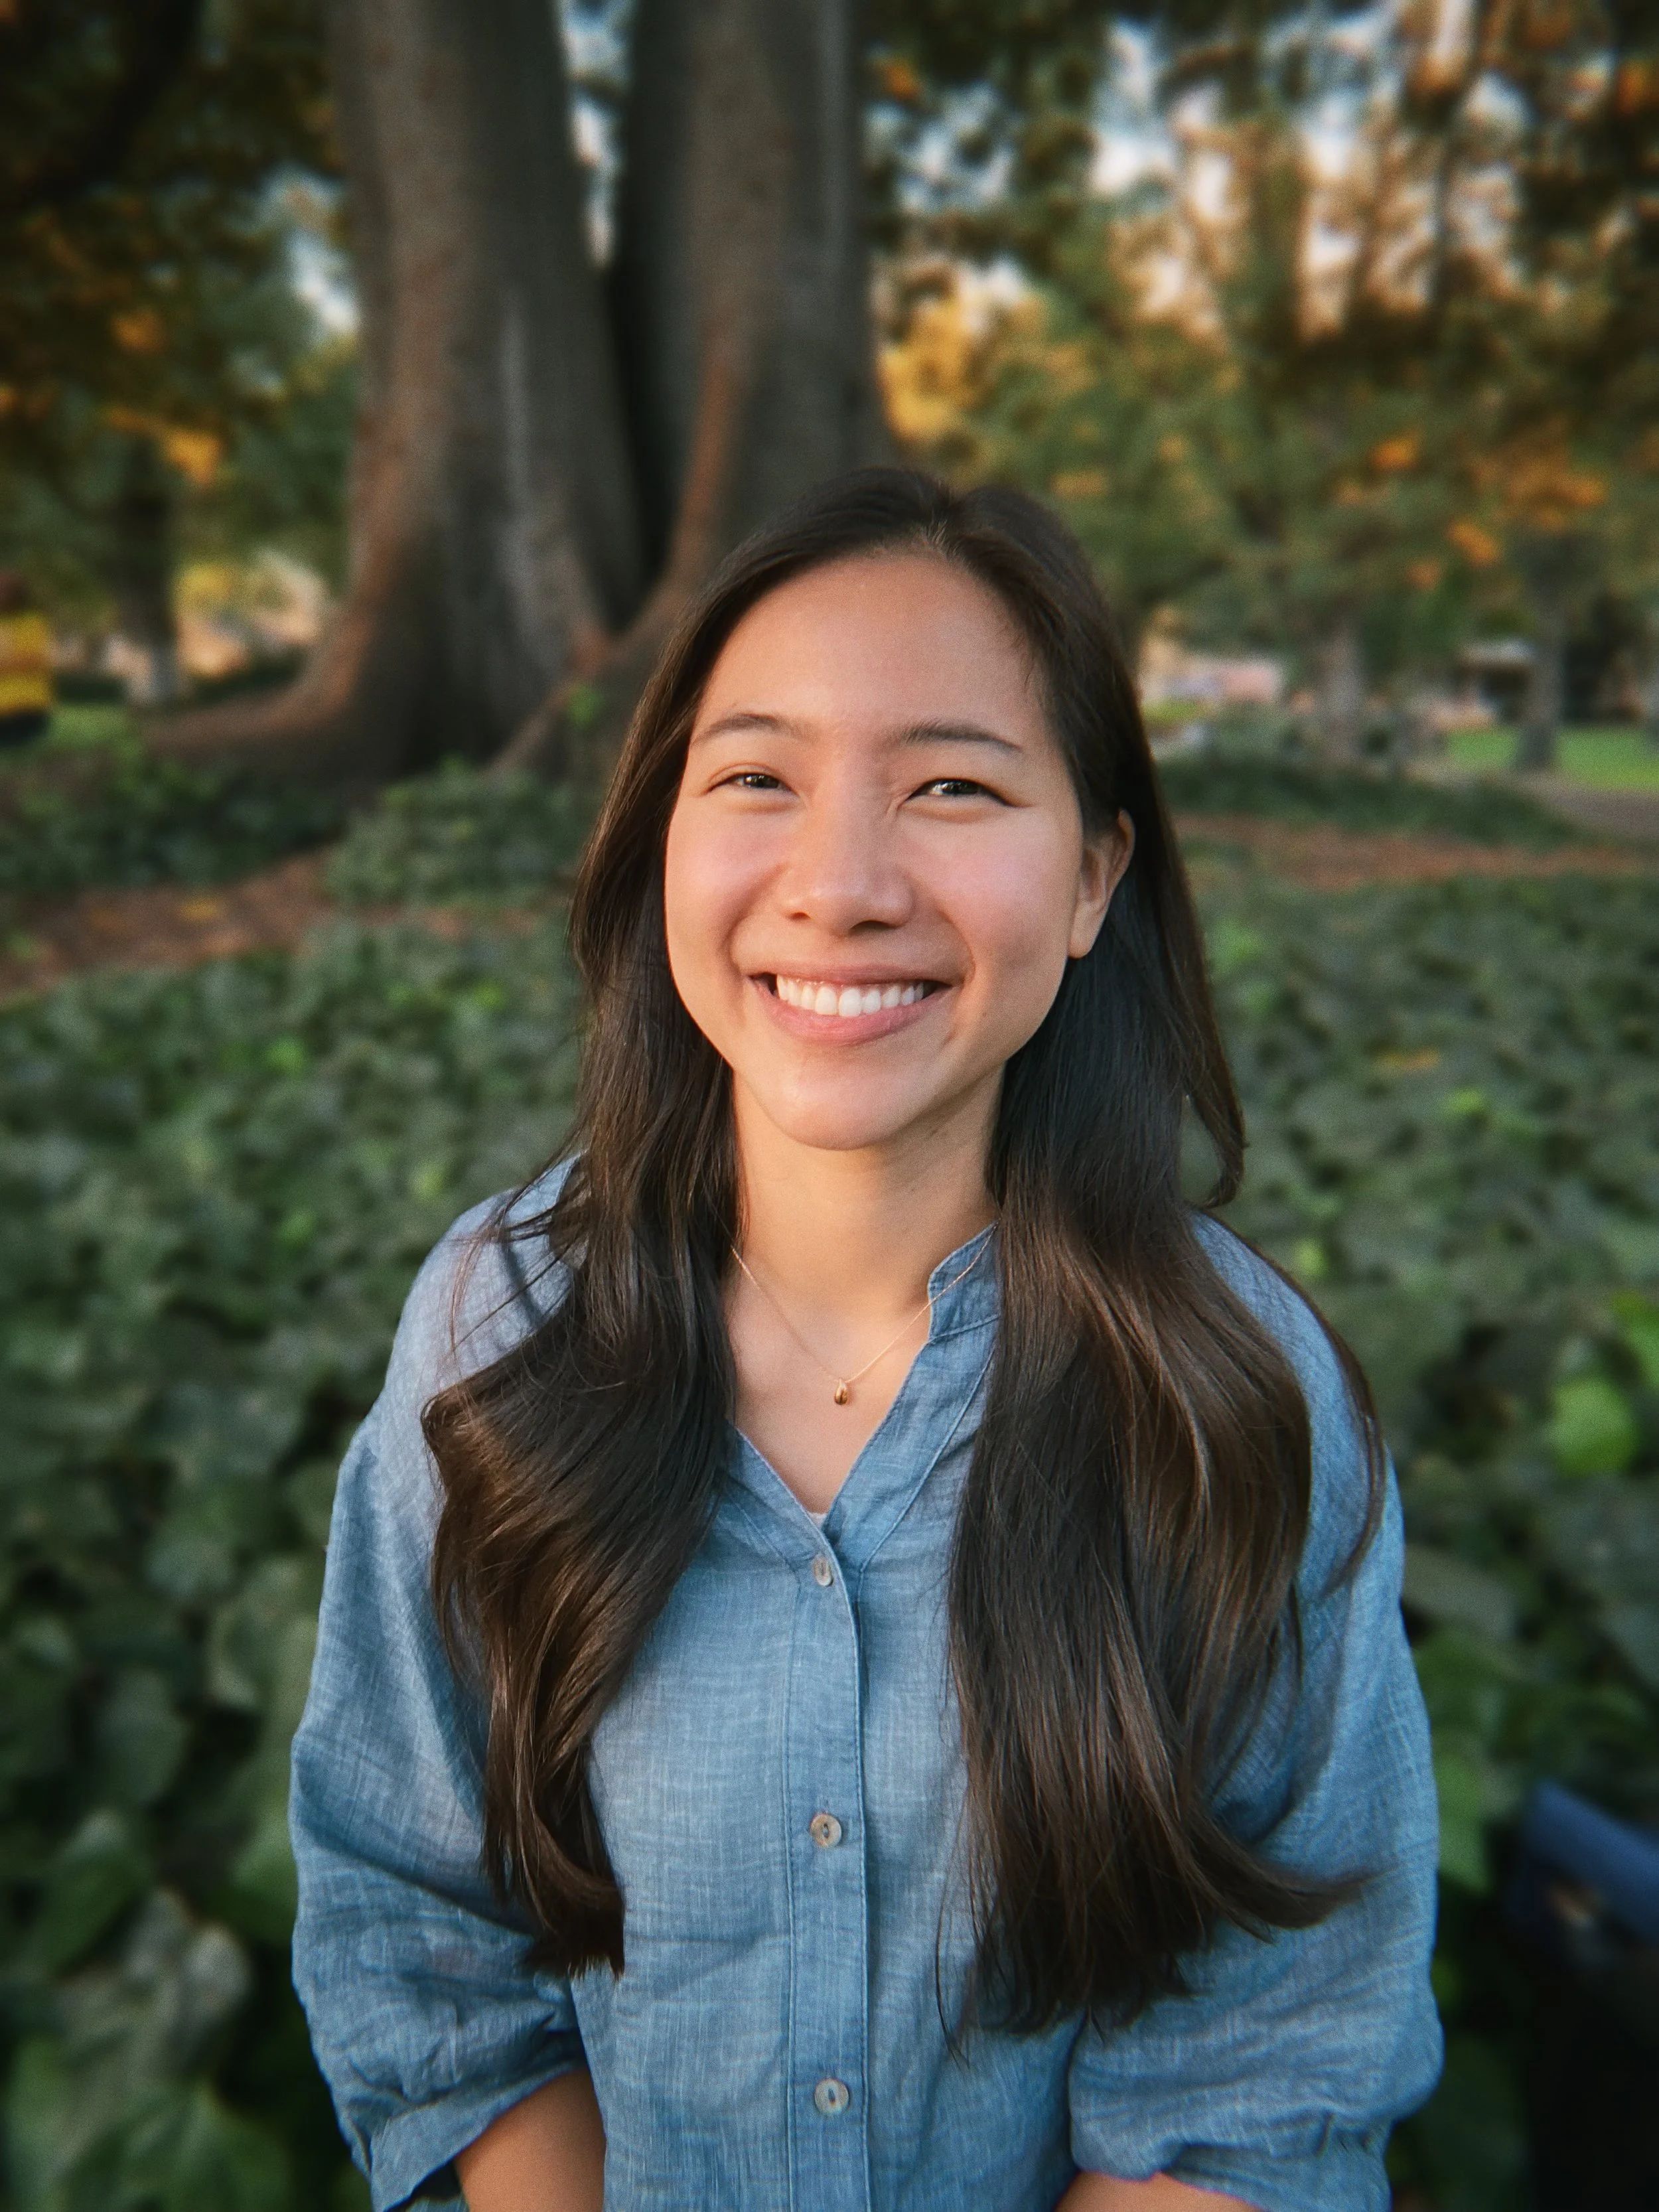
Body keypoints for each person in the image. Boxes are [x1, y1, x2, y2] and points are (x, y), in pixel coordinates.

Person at [290, 468, 1441, 2212]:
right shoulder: (496, 1331)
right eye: (756, 776)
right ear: (662, 833)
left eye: (953, 787)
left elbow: (1261, 2073)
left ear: (1089, 873)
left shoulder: (1229, 1396)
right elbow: (423, 1939)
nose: (838, 883)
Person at [0, 570, 54, 748]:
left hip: (25, 711)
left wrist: (7, 663)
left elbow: (35, 660)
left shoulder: (32, 624)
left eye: (5, 589)